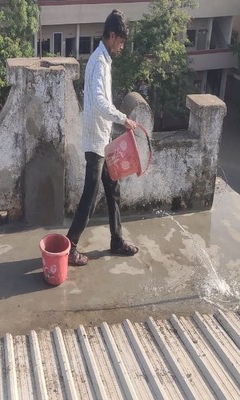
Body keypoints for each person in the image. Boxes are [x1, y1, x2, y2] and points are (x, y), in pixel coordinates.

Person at [66, 9, 139, 266]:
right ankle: (70, 246)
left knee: (113, 189)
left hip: (103, 141)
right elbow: (98, 101)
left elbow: (101, 101)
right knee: (90, 194)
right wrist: (123, 118)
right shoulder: (98, 61)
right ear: (112, 36)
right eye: (121, 42)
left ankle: (117, 241)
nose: (121, 47)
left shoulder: (104, 60)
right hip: (95, 143)